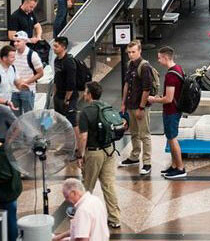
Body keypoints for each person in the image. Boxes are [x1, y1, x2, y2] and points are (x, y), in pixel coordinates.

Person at [76, 82, 121, 229]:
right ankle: (115, 218)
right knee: (109, 186)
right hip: (109, 150)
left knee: (87, 186)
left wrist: (80, 155)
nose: (84, 94)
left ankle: (83, 216)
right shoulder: (106, 106)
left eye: (85, 91)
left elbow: (83, 137)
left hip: (94, 153)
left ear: (89, 94)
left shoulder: (85, 112)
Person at [147, 46, 187, 179]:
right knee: (171, 138)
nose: (158, 61)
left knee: (172, 138)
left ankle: (180, 168)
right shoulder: (178, 69)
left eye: (159, 58)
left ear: (165, 57)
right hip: (176, 109)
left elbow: (168, 98)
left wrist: (154, 99)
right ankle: (174, 165)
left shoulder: (171, 75)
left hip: (171, 111)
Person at [121, 40, 154, 175]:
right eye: (129, 52)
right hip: (130, 104)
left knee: (144, 134)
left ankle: (147, 162)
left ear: (139, 51)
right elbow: (127, 85)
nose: (131, 54)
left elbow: (147, 89)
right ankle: (134, 156)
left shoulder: (144, 66)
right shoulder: (130, 65)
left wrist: (141, 107)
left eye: (133, 52)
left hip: (141, 106)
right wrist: (123, 103)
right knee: (134, 132)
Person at [10, 31, 44, 113]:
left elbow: (40, 73)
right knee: (15, 117)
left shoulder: (32, 55)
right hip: (14, 90)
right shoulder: (13, 54)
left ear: (25, 41)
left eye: (18, 41)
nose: (15, 43)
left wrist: (26, 82)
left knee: (28, 116)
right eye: (15, 41)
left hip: (28, 90)